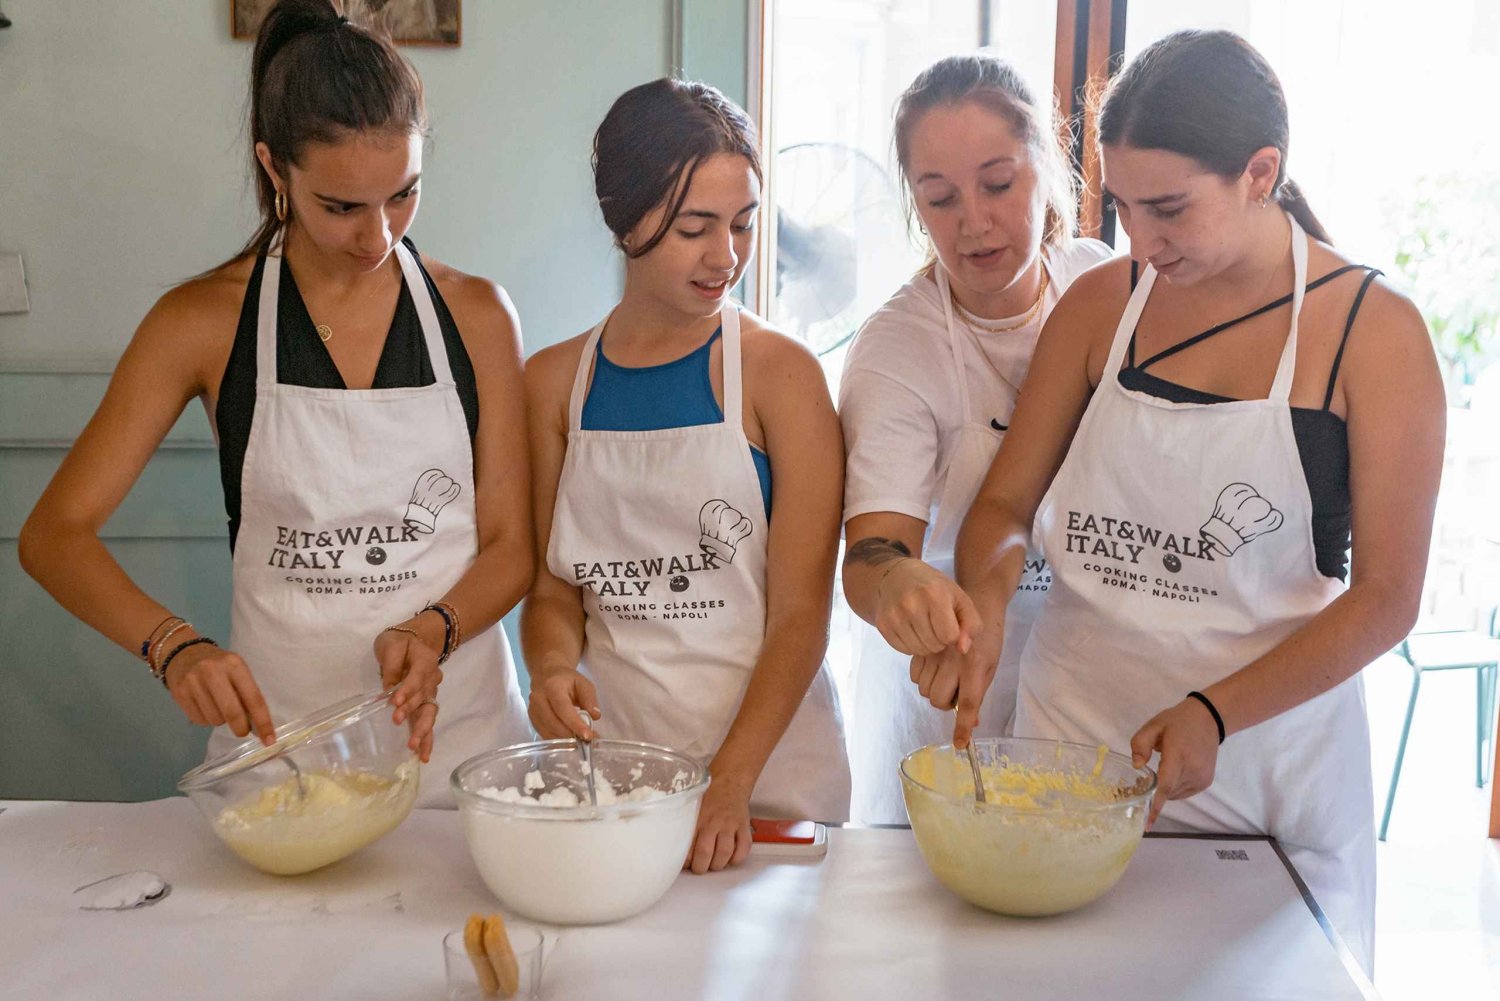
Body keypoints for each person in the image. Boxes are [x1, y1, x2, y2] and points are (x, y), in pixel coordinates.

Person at [949, 30, 1444, 973]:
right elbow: (1007, 503)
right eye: (1125, 205)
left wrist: (1214, 713)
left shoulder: (1371, 336)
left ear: (1262, 173)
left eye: (1169, 209)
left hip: (1264, 770)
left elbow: (1389, 598)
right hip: (1070, 758)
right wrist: (982, 596)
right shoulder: (1103, 306)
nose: (1141, 239)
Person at [18, 0, 532, 807]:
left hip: (463, 757)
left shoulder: (478, 314)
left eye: (404, 194)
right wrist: (174, 646)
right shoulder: (201, 321)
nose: (379, 236)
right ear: (273, 167)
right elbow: (53, 534)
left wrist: (434, 628)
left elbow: (510, 544)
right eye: (341, 207)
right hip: (280, 765)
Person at [522, 78, 851, 873]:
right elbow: (552, 590)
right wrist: (553, 671)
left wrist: (730, 782)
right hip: (620, 777)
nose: (727, 257)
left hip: (770, 786)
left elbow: (802, 612)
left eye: (743, 225)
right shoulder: (554, 385)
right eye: (694, 228)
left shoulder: (782, 376)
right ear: (622, 217)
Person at [838, 55, 1111, 824]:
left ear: (1049, 169)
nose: (974, 223)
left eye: (999, 184)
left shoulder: (1103, 289)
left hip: (1091, 689)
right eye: (940, 198)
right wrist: (901, 587)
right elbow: (870, 554)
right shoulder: (900, 348)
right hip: (946, 699)